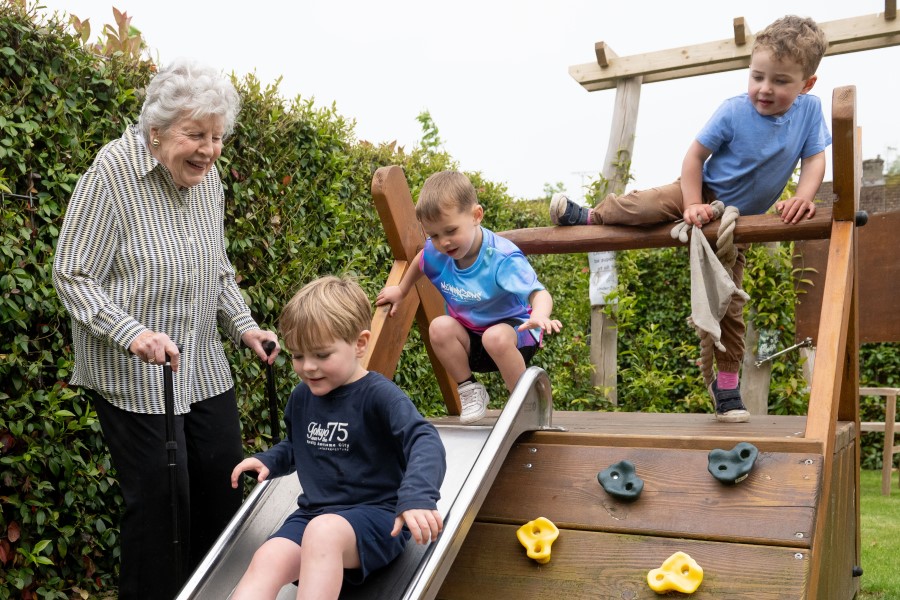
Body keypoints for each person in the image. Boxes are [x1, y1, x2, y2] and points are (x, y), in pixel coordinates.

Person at [52, 58, 279, 599]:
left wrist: (244, 325)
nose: (208, 149)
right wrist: (133, 333)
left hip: (200, 365)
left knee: (225, 483)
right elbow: (73, 273)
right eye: (195, 134)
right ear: (155, 131)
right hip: (135, 377)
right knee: (160, 508)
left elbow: (215, 264)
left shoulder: (208, 179)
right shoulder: (112, 175)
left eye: (217, 136)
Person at [549, 15, 830, 423]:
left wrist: (803, 197)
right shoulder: (734, 111)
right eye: (757, 76)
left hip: (736, 225)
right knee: (643, 207)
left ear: (807, 84)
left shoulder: (810, 113)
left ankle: (728, 389)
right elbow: (694, 158)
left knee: (729, 306)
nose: (765, 89)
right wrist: (693, 203)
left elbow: (815, 157)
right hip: (701, 191)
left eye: (781, 81)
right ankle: (591, 213)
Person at [229, 276, 446, 599]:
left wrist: (416, 496)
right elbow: (297, 443)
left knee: (323, 532)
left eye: (321, 355)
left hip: (378, 517)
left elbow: (424, 439)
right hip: (315, 514)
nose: (308, 367)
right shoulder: (303, 397)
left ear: (360, 343)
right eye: (298, 356)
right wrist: (268, 460)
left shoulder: (379, 396)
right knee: (268, 557)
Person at [376, 170, 562, 424]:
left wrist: (540, 315)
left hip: (515, 336)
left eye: (450, 230)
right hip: (471, 341)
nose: (443, 242)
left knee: (495, 336)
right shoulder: (439, 252)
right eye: (434, 235)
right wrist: (401, 290)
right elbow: (421, 259)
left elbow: (539, 293)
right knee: (439, 327)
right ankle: (470, 390)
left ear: (476, 215)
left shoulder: (501, 258)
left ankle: (524, 404)